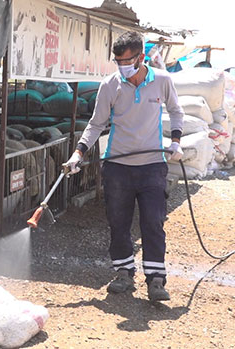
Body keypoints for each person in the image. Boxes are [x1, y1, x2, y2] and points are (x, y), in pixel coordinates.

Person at [63, 31, 184, 302]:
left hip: (153, 165)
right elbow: (96, 124)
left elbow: (177, 111)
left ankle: (155, 279)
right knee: (118, 222)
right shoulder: (110, 85)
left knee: (153, 221)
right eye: (118, 61)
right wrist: (78, 154)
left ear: (141, 57)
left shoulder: (162, 81)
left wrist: (176, 140)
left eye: (127, 61)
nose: (122, 66)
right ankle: (124, 273)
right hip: (117, 166)